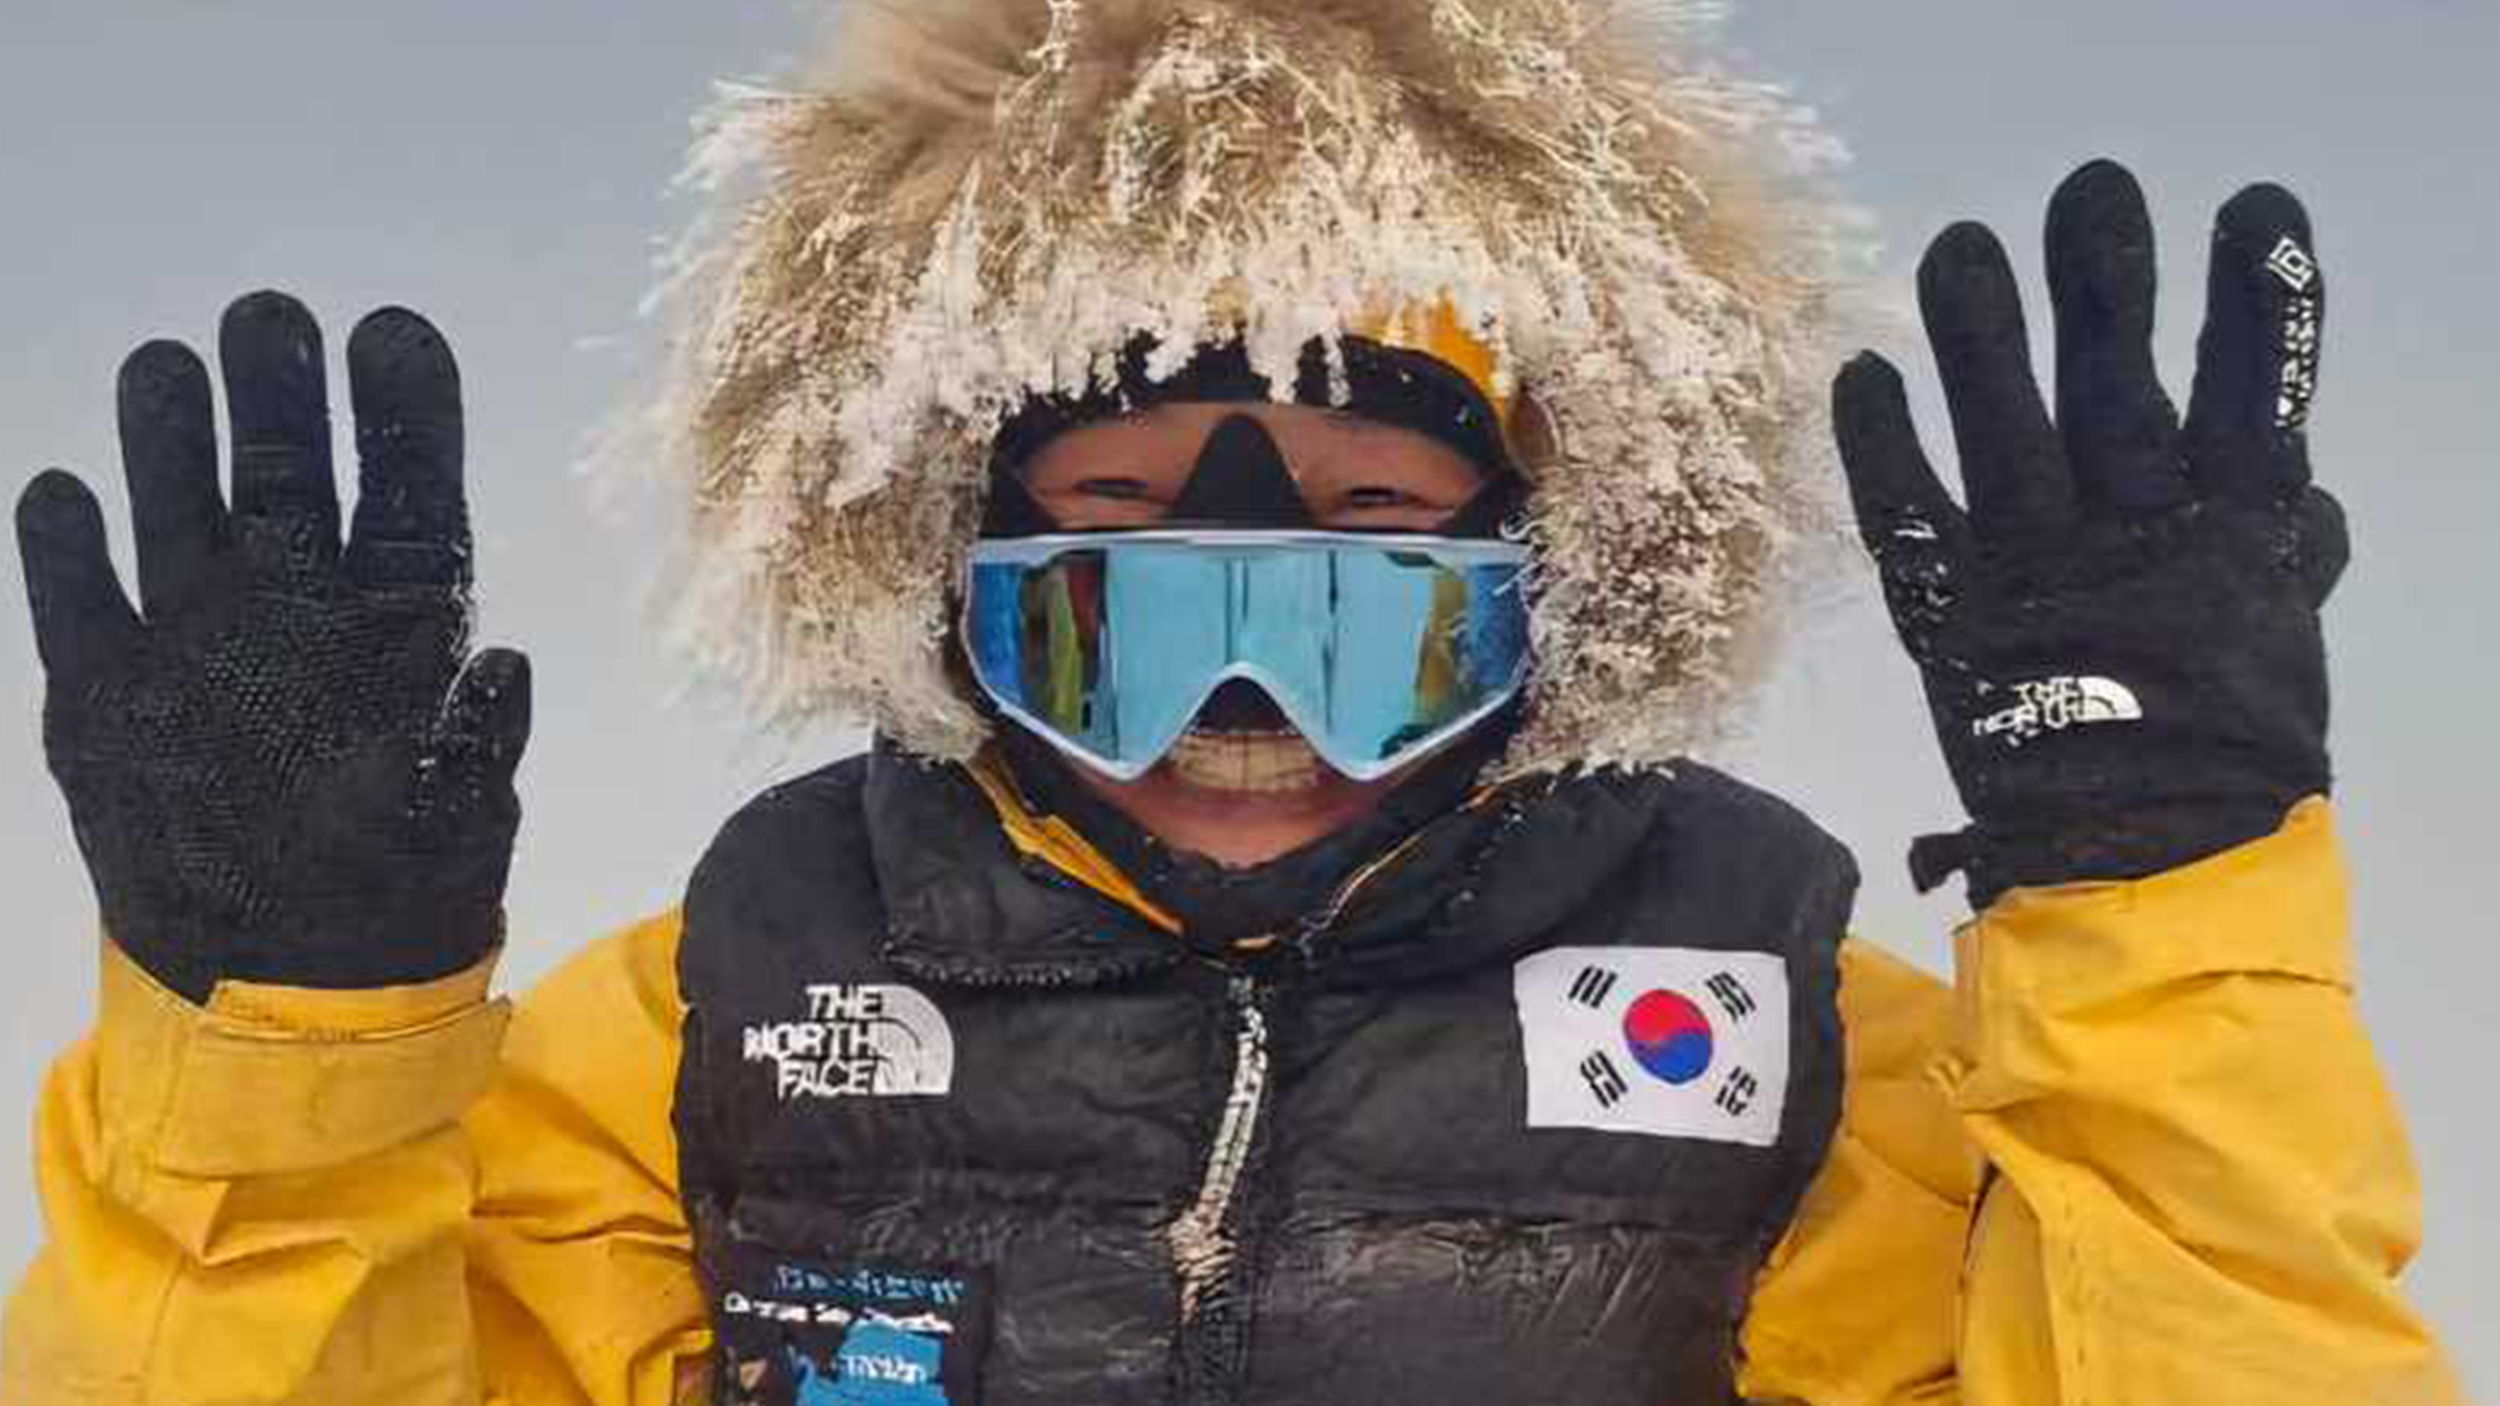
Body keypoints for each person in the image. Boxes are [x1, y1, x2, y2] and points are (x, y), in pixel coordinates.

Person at [0, 1, 2462, 1402]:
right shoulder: (702, 1038)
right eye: (1107, 566)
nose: (1245, 689)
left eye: (1379, 559)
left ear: (1558, 575)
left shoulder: (1796, 1052)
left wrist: (2161, 919)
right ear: (929, 577)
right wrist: (289, 1081)